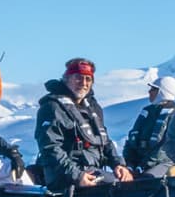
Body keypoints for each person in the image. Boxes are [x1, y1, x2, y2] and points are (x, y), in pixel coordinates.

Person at [35, 57, 135, 189]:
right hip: (64, 177)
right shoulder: (52, 108)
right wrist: (76, 175)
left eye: (88, 79)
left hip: (92, 172)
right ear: (67, 79)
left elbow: (105, 142)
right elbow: (50, 147)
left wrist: (118, 165)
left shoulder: (93, 109)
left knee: (133, 184)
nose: (83, 83)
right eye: (78, 77)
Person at [123, 76, 175, 177]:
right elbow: (131, 141)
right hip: (140, 164)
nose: (149, 92)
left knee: (146, 180)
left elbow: (164, 148)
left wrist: (142, 167)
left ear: (163, 91)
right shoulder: (147, 112)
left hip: (163, 162)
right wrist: (129, 165)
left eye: (154, 89)